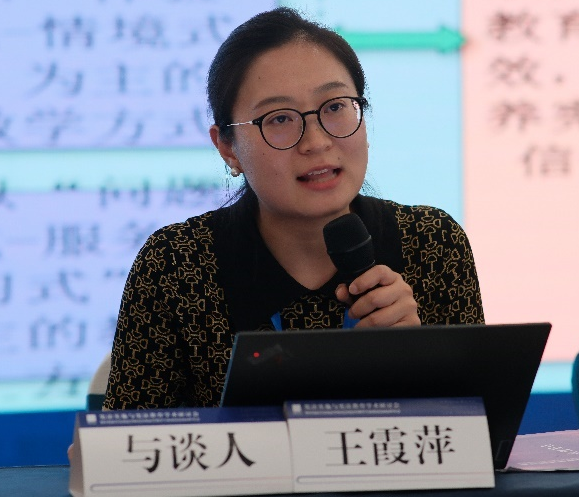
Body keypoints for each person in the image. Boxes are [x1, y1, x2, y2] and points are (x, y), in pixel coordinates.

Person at [103, 7, 485, 411]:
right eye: (280, 118)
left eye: (335, 107)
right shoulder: (175, 264)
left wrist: (420, 359)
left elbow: (481, 430)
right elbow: (126, 441)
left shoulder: (432, 243)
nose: (317, 141)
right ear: (227, 147)